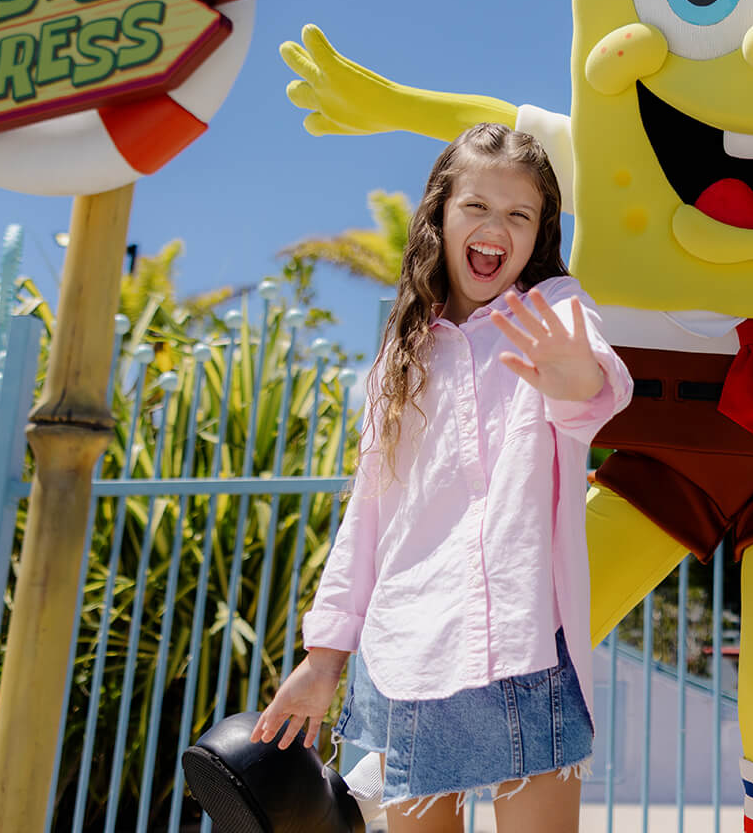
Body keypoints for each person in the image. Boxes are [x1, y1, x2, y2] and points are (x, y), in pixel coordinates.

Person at [250, 123, 632, 832]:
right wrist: (324, 658)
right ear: (441, 214)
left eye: (520, 214)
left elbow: (596, 392)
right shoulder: (400, 359)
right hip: (407, 655)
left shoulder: (553, 310)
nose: (496, 228)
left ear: (541, 230)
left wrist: (568, 372)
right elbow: (366, 520)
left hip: (523, 641)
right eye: (477, 207)